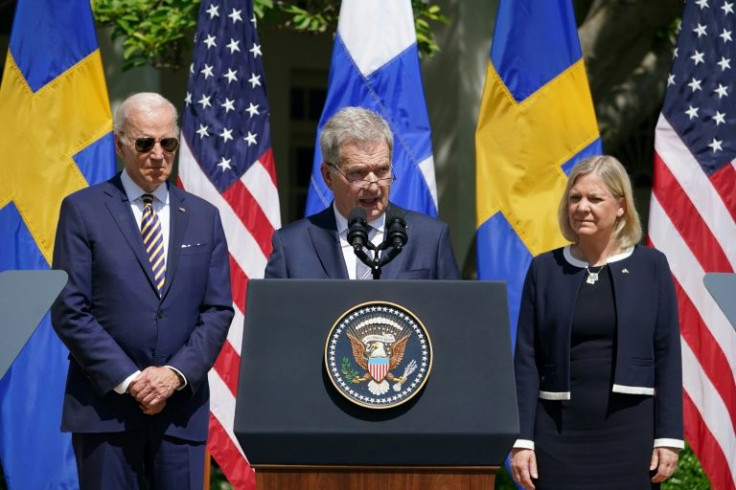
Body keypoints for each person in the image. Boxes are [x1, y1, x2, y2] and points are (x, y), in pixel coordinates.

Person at [51, 92, 233, 489]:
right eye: (144, 142)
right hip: (107, 411)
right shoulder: (83, 210)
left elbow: (217, 309)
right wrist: (132, 380)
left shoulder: (204, 217)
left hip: (180, 409)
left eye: (167, 143)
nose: (157, 154)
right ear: (119, 144)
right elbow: (70, 309)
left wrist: (173, 375)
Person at [510, 155, 683, 489]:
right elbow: (527, 360)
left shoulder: (652, 266)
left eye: (594, 198)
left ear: (620, 206)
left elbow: (667, 354)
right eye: (575, 198)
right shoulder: (544, 269)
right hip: (557, 435)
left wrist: (669, 436)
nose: (582, 207)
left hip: (631, 434)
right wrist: (522, 440)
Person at [265, 106, 461, 280]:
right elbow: (274, 319)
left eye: (382, 170)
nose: (373, 185)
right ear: (328, 176)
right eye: (358, 173)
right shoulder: (291, 247)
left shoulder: (430, 238)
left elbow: (453, 316)